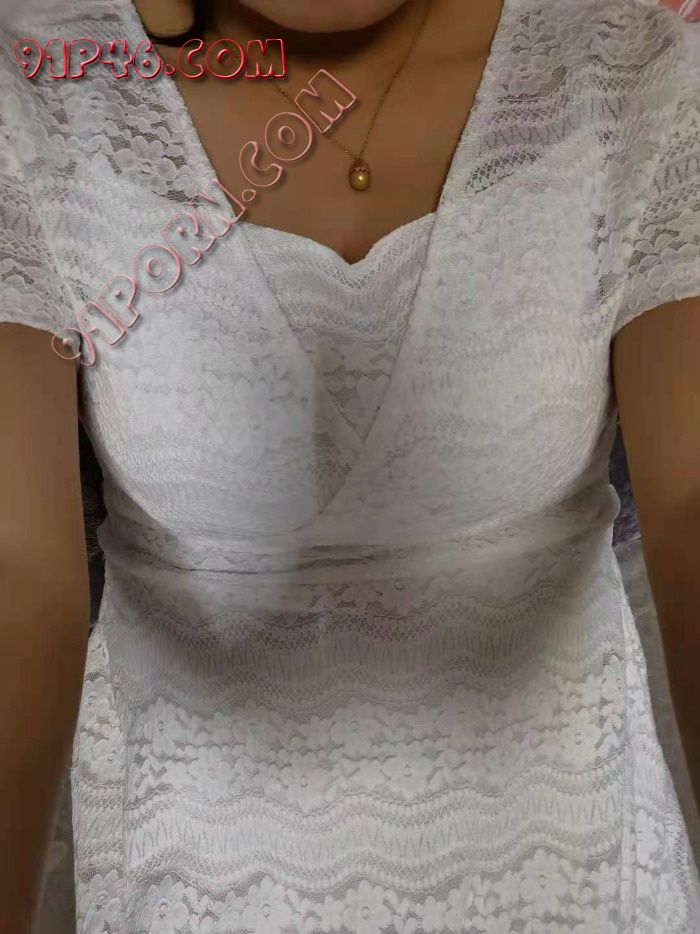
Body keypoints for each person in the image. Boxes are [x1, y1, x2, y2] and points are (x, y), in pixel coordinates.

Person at [1, 0, 699, 929]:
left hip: (576, 869)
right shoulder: (40, 82)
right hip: (199, 881)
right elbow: (17, 574)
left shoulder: (628, 61)